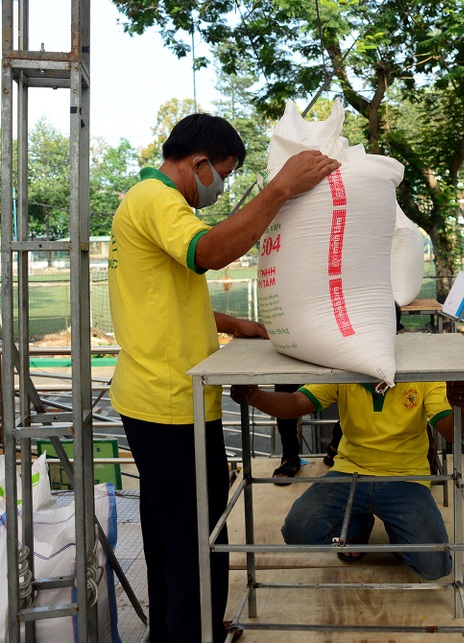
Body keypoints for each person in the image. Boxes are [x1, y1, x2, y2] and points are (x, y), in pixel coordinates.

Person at [108, 113, 340, 642]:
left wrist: (234, 323)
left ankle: (175, 631)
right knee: (195, 538)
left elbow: (159, 300)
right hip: (169, 402)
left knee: (171, 534)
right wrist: (281, 189)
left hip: (157, 396)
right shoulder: (158, 199)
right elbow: (208, 252)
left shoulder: (141, 201)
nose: (221, 188)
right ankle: (194, 635)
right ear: (199, 162)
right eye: (223, 175)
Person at [229, 308, 464, 581]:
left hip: (406, 477)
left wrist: (459, 406)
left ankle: (392, 530)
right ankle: (358, 526)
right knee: (298, 531)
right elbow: (297, 402)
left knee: (434, 566)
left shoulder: (421, 372)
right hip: (349, 472)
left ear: (397, 333)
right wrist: (255, 395)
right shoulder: (346, 367)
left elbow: (450, 433)